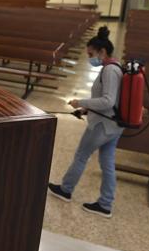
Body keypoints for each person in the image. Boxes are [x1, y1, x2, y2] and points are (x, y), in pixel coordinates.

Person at [48, 26, 124, 218]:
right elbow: (109, 100)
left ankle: (65, 190)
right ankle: (106, 204)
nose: (90, 58)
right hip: (113, 125)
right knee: (107, 163)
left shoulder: (110, 71)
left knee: (82, 155)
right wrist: (85, 109)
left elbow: (107, 101)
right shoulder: (113, 67)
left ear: (102, 51)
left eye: (91, 54)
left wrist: (80, 101)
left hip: (103, 125)